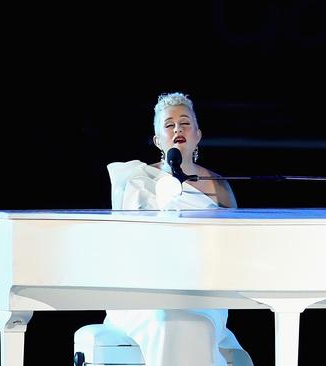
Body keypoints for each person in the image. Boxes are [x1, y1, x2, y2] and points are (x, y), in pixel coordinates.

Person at [104, 92, 253, 366]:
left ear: (197, 134)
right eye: (169, 125)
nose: (177, 129)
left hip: (202, 290)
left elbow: (234, 245)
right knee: (166, 320)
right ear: (158, 140)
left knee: (197, 321)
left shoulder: (219, 185)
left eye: (185, 123)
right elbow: (128, 243)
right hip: (145, 290)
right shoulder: (140, 180)